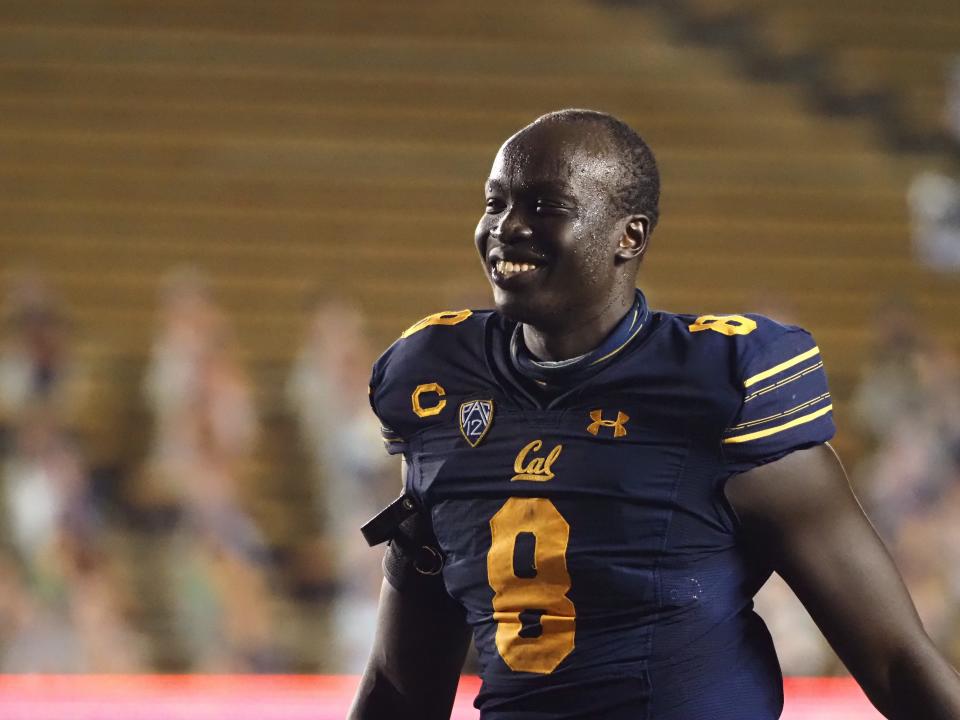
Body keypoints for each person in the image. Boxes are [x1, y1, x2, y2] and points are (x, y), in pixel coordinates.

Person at [349, 110, 960, 719]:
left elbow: (898, 662)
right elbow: (401, 684)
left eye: (545, 206)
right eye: (495, 202)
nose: (507, 227)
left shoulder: (718, 387)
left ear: (629, 236)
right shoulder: (440, 379)